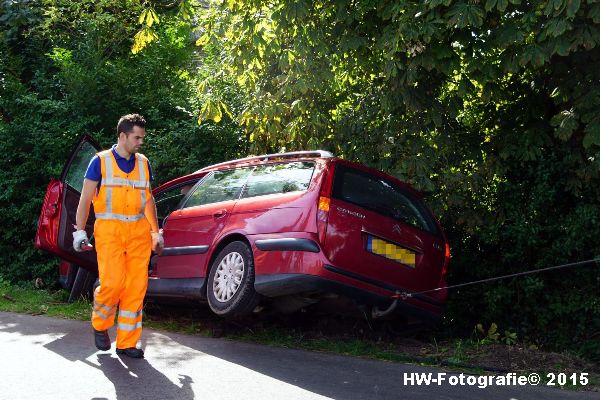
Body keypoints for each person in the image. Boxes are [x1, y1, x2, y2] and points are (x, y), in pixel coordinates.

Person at [72, 114, 163, 359]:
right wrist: (80, 231)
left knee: (136, 288)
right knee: (112, 284)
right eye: (137, 137)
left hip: (138, 233)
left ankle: (127, 343)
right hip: (109, 232)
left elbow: (148, 200)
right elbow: (84, 200)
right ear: (122, 136)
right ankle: (101, 324)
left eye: (142, 138)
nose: (140, 142)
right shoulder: (99, 162)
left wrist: (155, 232)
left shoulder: (143, 163)